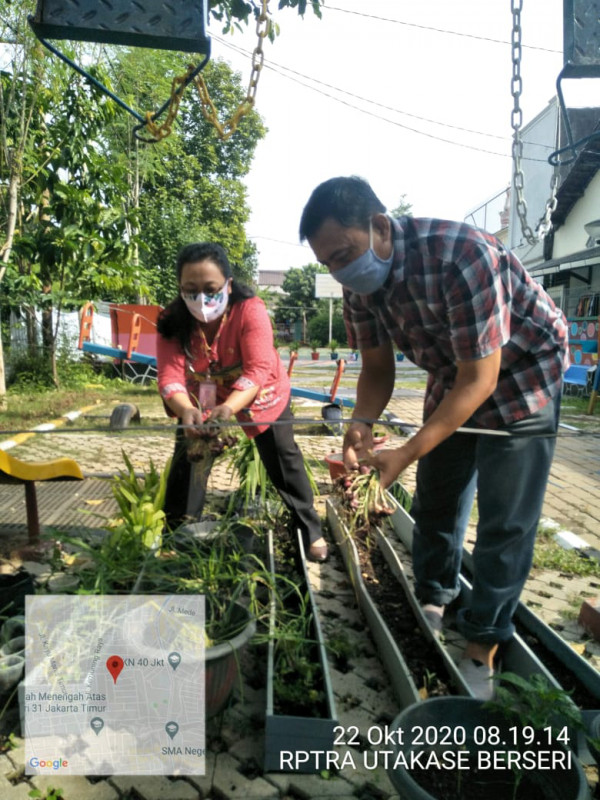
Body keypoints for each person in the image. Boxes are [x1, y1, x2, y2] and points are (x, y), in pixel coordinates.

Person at [299, 176, 569, 698]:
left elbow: (481, 380)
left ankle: (483, 642)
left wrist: (404, 452)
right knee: (438, 496)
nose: (340, 270)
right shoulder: (360, 287)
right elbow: (377, 370)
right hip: (454, 375)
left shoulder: (460, 255)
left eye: (345, 254)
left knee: (505, 518)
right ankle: (434, 596)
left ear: (380, 226)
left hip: (524, 373)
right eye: (328, 262)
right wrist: (362, 422)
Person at [156, 241, 328, 562]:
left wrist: (229, 408)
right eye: (190, 290)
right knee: (189, 457)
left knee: (282, 457)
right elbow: (169, 378)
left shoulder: (250, 310)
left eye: (210, 289)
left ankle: (310, 528)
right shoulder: (172, 320)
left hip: (259, 392)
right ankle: (177, 535)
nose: (201, 299)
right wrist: (186, 410)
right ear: (180, 288)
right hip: (202, 396)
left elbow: (258, 369)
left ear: (228, 285)